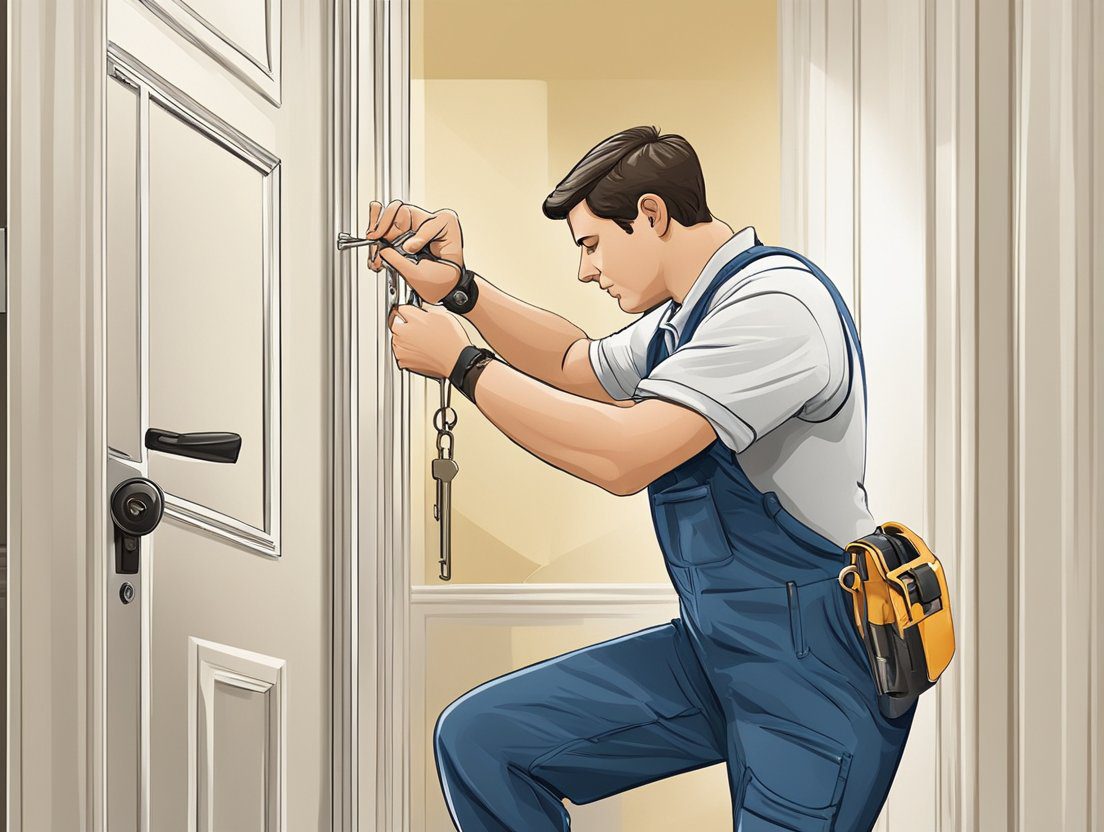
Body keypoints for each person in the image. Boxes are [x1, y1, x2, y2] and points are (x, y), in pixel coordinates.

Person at [370, 125, 915, 831]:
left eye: (591, 245)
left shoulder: (775, 308)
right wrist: (463, 292)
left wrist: (464, 368)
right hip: (718, 649)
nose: (585, 272)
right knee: (484, 741)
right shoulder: (688, 319)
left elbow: (626, 455)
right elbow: (576, 362)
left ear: (652, 215)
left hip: (815, 671)